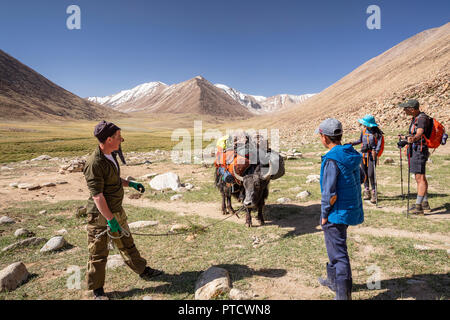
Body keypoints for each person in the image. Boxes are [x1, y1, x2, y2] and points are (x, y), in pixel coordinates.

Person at [83, 120, 163, 300]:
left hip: (116, 210)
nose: (122, 140)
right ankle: (97, 291)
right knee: (98, 252)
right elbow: (98, 196)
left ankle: (143, 271)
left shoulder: (111, 155)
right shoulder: (94, 162)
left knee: (127, 242)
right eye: (119, 137)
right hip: (100, 216)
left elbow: (113, 179)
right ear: (109, 139)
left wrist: (130, 183)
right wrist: (110, 220)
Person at [315, 118, 364, 300]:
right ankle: (334, 282)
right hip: (349, 209)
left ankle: (343, 296)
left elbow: (329, 192)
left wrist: (324, 215)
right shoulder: (350, 153)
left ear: (324, 137)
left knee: (338, 254)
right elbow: (362, 178)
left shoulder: (331, 159)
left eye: (320, 135)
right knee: (336, 247)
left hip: (336, 213)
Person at [398, 99, 433, 214]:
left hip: (419, 150)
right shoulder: (416, 118)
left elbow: (420, 132)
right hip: (417, 149)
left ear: (412, 109)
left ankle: (418, 207)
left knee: (420, 178)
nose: (404, 110)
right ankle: (424, 203)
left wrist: (414, 138)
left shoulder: (422, 119)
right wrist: (406, 138)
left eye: (405, 108)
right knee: (420, 177)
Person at [347, 115, 384, 204]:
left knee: (371, 174)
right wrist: (352, 143)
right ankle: (366, 191)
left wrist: (376, 151)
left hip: (372, 156)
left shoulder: (378, 133)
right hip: (363, 155)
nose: (364, 125)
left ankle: (374, 192)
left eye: (365, 124)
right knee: (364, 174)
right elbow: (360, 140)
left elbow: (379, 145)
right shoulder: (363, 131)